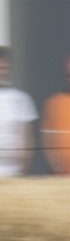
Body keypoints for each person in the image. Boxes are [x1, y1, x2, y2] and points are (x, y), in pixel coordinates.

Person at [0, 48, 36, 178]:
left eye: (5, 68)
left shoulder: (22, 99)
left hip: (14, 173)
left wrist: (24, 170)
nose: (2, 72)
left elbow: (28, 138)